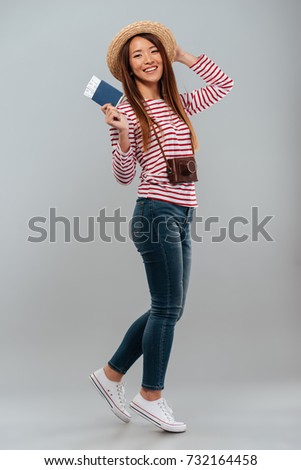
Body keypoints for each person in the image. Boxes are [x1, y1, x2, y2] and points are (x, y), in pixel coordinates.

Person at [90, 20, 234, 433]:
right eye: (138, 55)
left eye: (153, 51)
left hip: (181, 215)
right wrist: (119, 135)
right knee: (168, 309)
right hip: (155, 213)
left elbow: (223, 84)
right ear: (127, 68)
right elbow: (122, 175)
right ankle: (150, 395)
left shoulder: (178, 104)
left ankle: (110, 375)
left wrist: (182, 54)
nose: (148, 59)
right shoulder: (129, 111)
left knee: (167, 308)